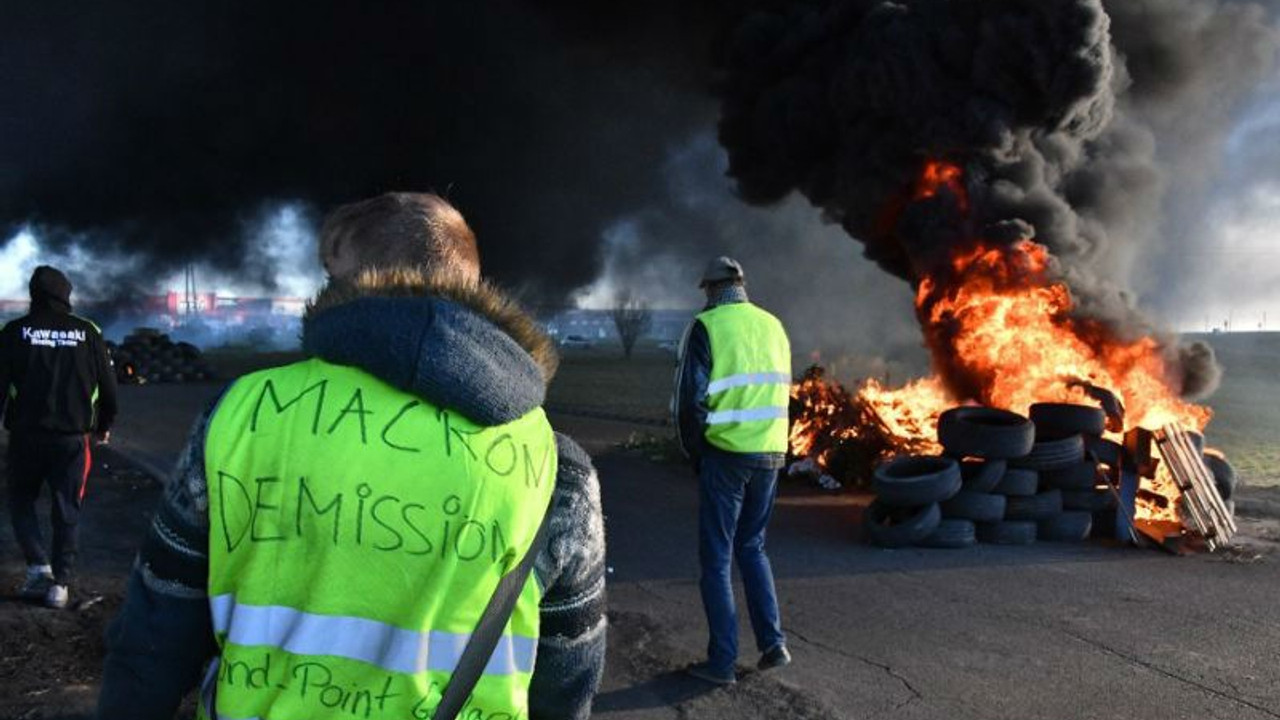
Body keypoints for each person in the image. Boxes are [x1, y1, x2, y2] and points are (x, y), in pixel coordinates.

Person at [97, 192, 606, 720]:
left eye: (329, 272)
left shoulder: (242, 414)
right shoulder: (555, 465)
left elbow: (154, 634)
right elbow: (569, 674)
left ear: (359, 280)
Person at [673, 256, 791, 685]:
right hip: (771, 454)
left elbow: (690, 401)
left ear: (709, 288)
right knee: (753, 548)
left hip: (726, 456)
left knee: (717, 559)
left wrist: (696, 454)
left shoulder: (707, 326)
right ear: (742, 283)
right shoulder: (773, 325)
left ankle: (722, 663)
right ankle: (773, 644)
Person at [1, 266, 117, 610]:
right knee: (66, 508)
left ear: (34, 295)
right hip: (72, 440)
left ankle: (39, 568)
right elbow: (108, 387)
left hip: (26, 436)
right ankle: (60, 585)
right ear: (66, 295)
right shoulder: (88, 331)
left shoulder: (13, 331)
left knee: (20, 501)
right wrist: (103, 425)